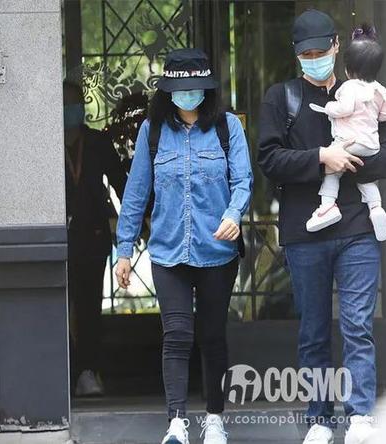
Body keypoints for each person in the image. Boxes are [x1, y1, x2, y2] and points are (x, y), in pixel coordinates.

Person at [258, 9, 386, 444]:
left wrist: (350, 162)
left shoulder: (365, 90)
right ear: (296, 54)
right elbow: (269, 159)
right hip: (305, 233)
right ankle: (319, 419)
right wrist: (322, 158)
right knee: (314, 331)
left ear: (337, 47)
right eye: (307, 54)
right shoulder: (281, 98)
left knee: (357, 326)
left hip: (357, 229)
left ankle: (361, 417)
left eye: (322, 51)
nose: (316, 60)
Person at [114, 48, 253, 444]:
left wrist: (234, 214)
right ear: (168, 91)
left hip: (217, 253)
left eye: (195, 88)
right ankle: (176, 422)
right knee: (176, 335)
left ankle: (214, 419)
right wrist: (124, 250)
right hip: (169, 251)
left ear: (206, 89)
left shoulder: (227, 127)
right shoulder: (153, 131)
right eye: (181, 89)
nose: (188, 95)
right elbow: (136, 192)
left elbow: (243, 180)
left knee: (212, 336)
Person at [63, 80, 127, 397]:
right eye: (64, 104)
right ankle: (66, 370)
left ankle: (88, 371)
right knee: (60, 306)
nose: (70, 110)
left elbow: (120, 182)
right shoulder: (44, 143)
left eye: (74, 104)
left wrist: (137, 222)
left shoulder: (97, 142)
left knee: (89, 305)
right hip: (57, 239)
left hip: (92, 235)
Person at [306, 23, 386, 242]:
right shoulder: (379, 89)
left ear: (348, 69)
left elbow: (344, 109)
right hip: (371, 145)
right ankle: (375, 207)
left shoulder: (348, 87)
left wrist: (330, 108)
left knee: (332, 170)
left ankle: (328, 206)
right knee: (366, 180)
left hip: (349, 142)